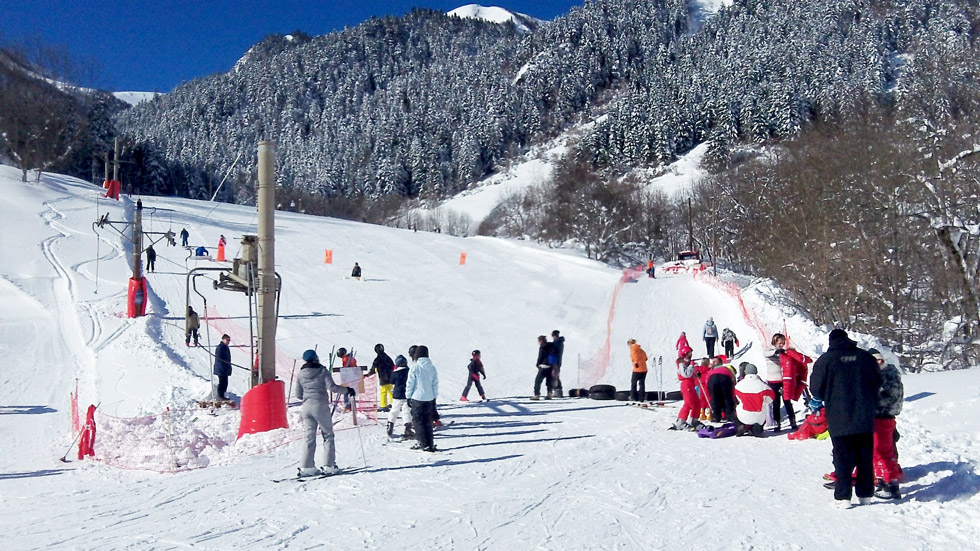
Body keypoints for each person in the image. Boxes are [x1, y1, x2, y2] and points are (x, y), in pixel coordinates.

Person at [810, 329, 882, 506]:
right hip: (864, 414)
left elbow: (815, 389)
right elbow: (878, 380)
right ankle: (865, 495)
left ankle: (843, 497)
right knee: (865, 456)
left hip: (839, 415)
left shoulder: (826, 360)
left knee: (843, 456)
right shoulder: (866, 357)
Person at [294, 349, 355, 476]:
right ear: (316, 358)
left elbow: (298, 395)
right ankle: (329, 465)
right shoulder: (322, 371)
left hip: (306, 407)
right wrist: (347, 390)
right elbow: (332, 387)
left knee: (309, 437)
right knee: (327, 435)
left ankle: (307, 466)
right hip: (320, 406)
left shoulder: (301, 373)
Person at [869, 348, 904, 500]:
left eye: (879, 360)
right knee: (878, 451)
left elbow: (890, 397)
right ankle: (883, 480)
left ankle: (891, 484)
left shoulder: (888, 375)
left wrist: (870, 402)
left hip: (883, 417)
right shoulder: (884, 373)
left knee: (882, 452)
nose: (878, 363)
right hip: (881, 417)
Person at [765, 333, 810, 432]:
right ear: (775, 341)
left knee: (787, 401)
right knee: (776, 403)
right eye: (780, 343)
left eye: (783, 343)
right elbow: (766, 354)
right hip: (773, 380)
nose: (781, 345)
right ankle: (777, 423)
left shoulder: (783, 352)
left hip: (784, 379)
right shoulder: (769, 350)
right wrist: (777, 351)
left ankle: (792, 422)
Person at [405, 345, 439, 452]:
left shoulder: (415, 367)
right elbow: (435, 384)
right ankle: (430, 443)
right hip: (429, 398)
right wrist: (434, 397)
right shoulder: (432, 368)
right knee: (427, 421)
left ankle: (422, 443)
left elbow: (410, 383)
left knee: (418, 421)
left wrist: (408, 396)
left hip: (417, 398)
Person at [734, 362, 775, 437]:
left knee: (738, 409)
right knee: (762, 411)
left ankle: (741, 425)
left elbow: (737, 399)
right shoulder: (764, 386)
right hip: (759, 417)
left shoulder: (738, 385)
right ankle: (757, 428)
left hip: (743, 416)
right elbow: (771, 399)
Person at [672, 346, 700, 430]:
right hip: (686, 384)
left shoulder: (687, 362)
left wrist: (696, 374)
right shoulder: (681, 363)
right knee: (688, 403)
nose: (691, 354)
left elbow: (690, 374)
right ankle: (680, 421)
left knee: (696, 402)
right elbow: (686, 374)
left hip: (691, 384)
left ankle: (694, 420)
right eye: (689, 352)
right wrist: (692, 366)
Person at [387, 354, 413, 439]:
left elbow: (391, 381)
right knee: (406, 411)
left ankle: (390, 425)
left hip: (397, 394)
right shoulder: (409, 371)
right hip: (407, 394)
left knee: (394, 410)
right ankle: (408, 428)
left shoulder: (395, 373)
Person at [367, 343, 394, 412]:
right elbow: (393, 365)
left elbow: (373, 369)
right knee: (390, 390)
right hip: (390, 377)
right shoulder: (387, 357)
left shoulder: (377, 359)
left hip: (383, 378)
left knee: (383, 391)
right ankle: (393, 403)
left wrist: (368, 374)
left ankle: (383, 405)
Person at [532, 335, 556, 400]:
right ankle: (549, 393)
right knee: (549, 381)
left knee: (538, 381)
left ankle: (537, 395)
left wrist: (538, 364)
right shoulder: (551, 345)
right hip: (551, 366)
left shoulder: (542, 347)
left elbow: (540, 357)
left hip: (543, 366)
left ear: (541, 340)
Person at [337, 347, 357, 412]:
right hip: (352, 376)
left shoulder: (346, 359)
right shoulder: (350, 358)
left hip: (348, 377)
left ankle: (348, 405)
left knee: (346, 391)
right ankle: (351, 405)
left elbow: (347, 368)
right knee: (351, 391)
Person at [213, 334, 232, 400]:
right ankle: (220, 395)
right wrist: (223, 368)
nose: (228, 341)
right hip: (221, 369)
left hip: (225, 368)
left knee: (225, 382)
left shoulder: (226, 347)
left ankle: (223, 394)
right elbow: (219, 359)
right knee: (222, 382)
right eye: (227, 340)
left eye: (229, 340)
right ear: (223, 340)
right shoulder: (220, 347)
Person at [551, 330, 565, 397]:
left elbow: (554, 351)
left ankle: (558, 390)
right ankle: (557, 390)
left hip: (555, 361)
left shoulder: (557, 342)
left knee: (554, 376)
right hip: (556, 361)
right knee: (555, 375)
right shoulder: (558, 342)